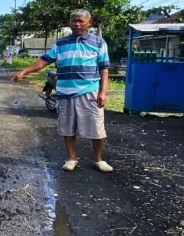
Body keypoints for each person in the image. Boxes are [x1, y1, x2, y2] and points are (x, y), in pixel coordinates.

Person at [11, 9, 113, 173]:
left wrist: (103, 92)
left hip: (89, 90)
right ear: (70, 23)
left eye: (80, 20)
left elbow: (104, 68)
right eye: (74, 21)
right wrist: (23, 72)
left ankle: (99, 159)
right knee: (67, 127)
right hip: (65, 91)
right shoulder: (60, 43)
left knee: (97, 127)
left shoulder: (98, 42)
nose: (77, 24)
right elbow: (43, 61)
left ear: (89, 22)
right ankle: (71, 159)